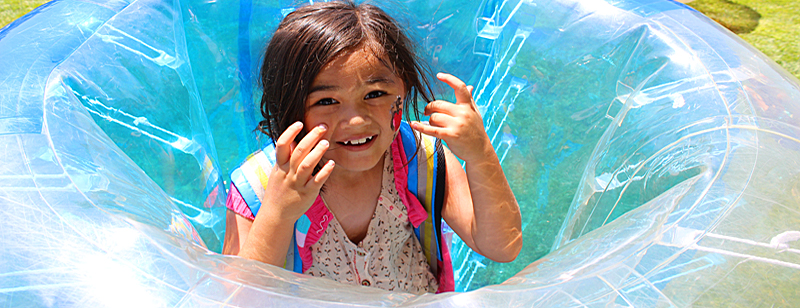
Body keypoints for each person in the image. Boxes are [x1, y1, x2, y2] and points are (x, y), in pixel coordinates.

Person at [223, 0, 521, 294]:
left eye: (375, 93)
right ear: (288, 109)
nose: (355, 120)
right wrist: (278, 211)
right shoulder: (259, 187)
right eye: (326, 101)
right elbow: (238, 299)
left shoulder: (422, 160)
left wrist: (480, 155)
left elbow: (503, 246)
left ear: (404, 90)